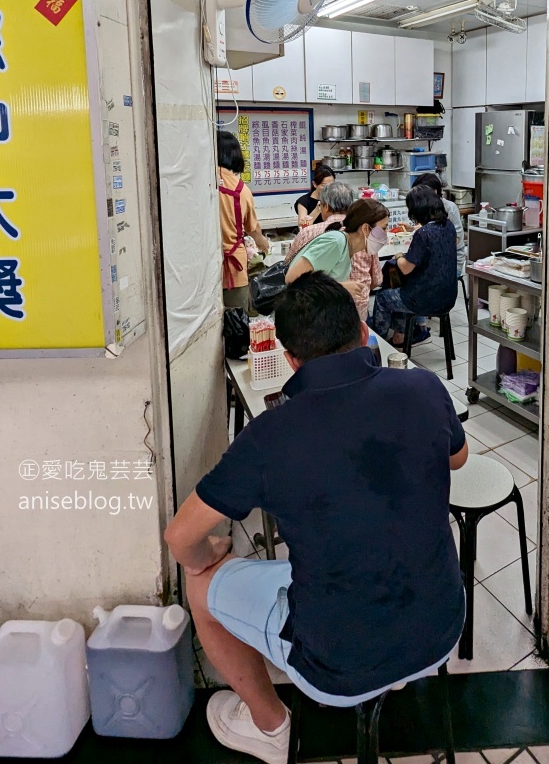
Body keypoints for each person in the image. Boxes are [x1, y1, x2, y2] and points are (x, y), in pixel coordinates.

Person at [166, 274, 468, 762]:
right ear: (363, 331)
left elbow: (179, 537)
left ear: (289, 358)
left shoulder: (269, 437)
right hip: (441, 624)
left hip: (339, 663)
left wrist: (210, 555)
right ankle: (395, 681)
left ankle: (269, 727)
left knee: (199, 583)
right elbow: (458, 457)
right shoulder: (422, 387)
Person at [372, 185, 458, 347]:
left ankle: (377, 344)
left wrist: (398, 256)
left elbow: (405, 268)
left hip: (424, 299)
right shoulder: (448, 226)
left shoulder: (424, 233)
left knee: (383, 297)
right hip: (448, 297)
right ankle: (399, 336)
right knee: (399, 287)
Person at [285, 198, 389, 313]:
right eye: (384, 228)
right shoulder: (336, 242)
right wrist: (340, 288)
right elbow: (292, 279)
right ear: (365, 228)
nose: (386, 234)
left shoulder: (348, 249)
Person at [217, 130, 269, 310]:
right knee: (236, 323)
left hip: (204, 267)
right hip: (233, 266)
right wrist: (263, 244)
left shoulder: (200, 181)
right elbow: (253, 229)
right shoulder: (241, 190)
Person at [284, 181, 355, 264]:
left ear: (326, 207)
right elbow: (374, 272)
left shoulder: (308, 233)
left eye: (320, 205)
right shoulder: (362, 232)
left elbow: (288, 263)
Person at [412, 172, 467, 275]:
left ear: (434, 192)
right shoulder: (423, 207)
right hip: (429, 259)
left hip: (451, 263)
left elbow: (456, 240)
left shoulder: (450, 208)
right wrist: (412, 229)